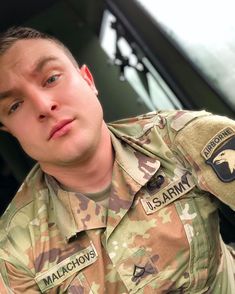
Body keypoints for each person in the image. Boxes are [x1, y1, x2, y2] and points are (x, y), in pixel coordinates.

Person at [0, 26, 234, 294]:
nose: (43, 106)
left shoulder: (180, 139)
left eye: (51, 78)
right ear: (10, 130)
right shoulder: (14, 252)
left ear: (88, 81)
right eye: (14, 106)